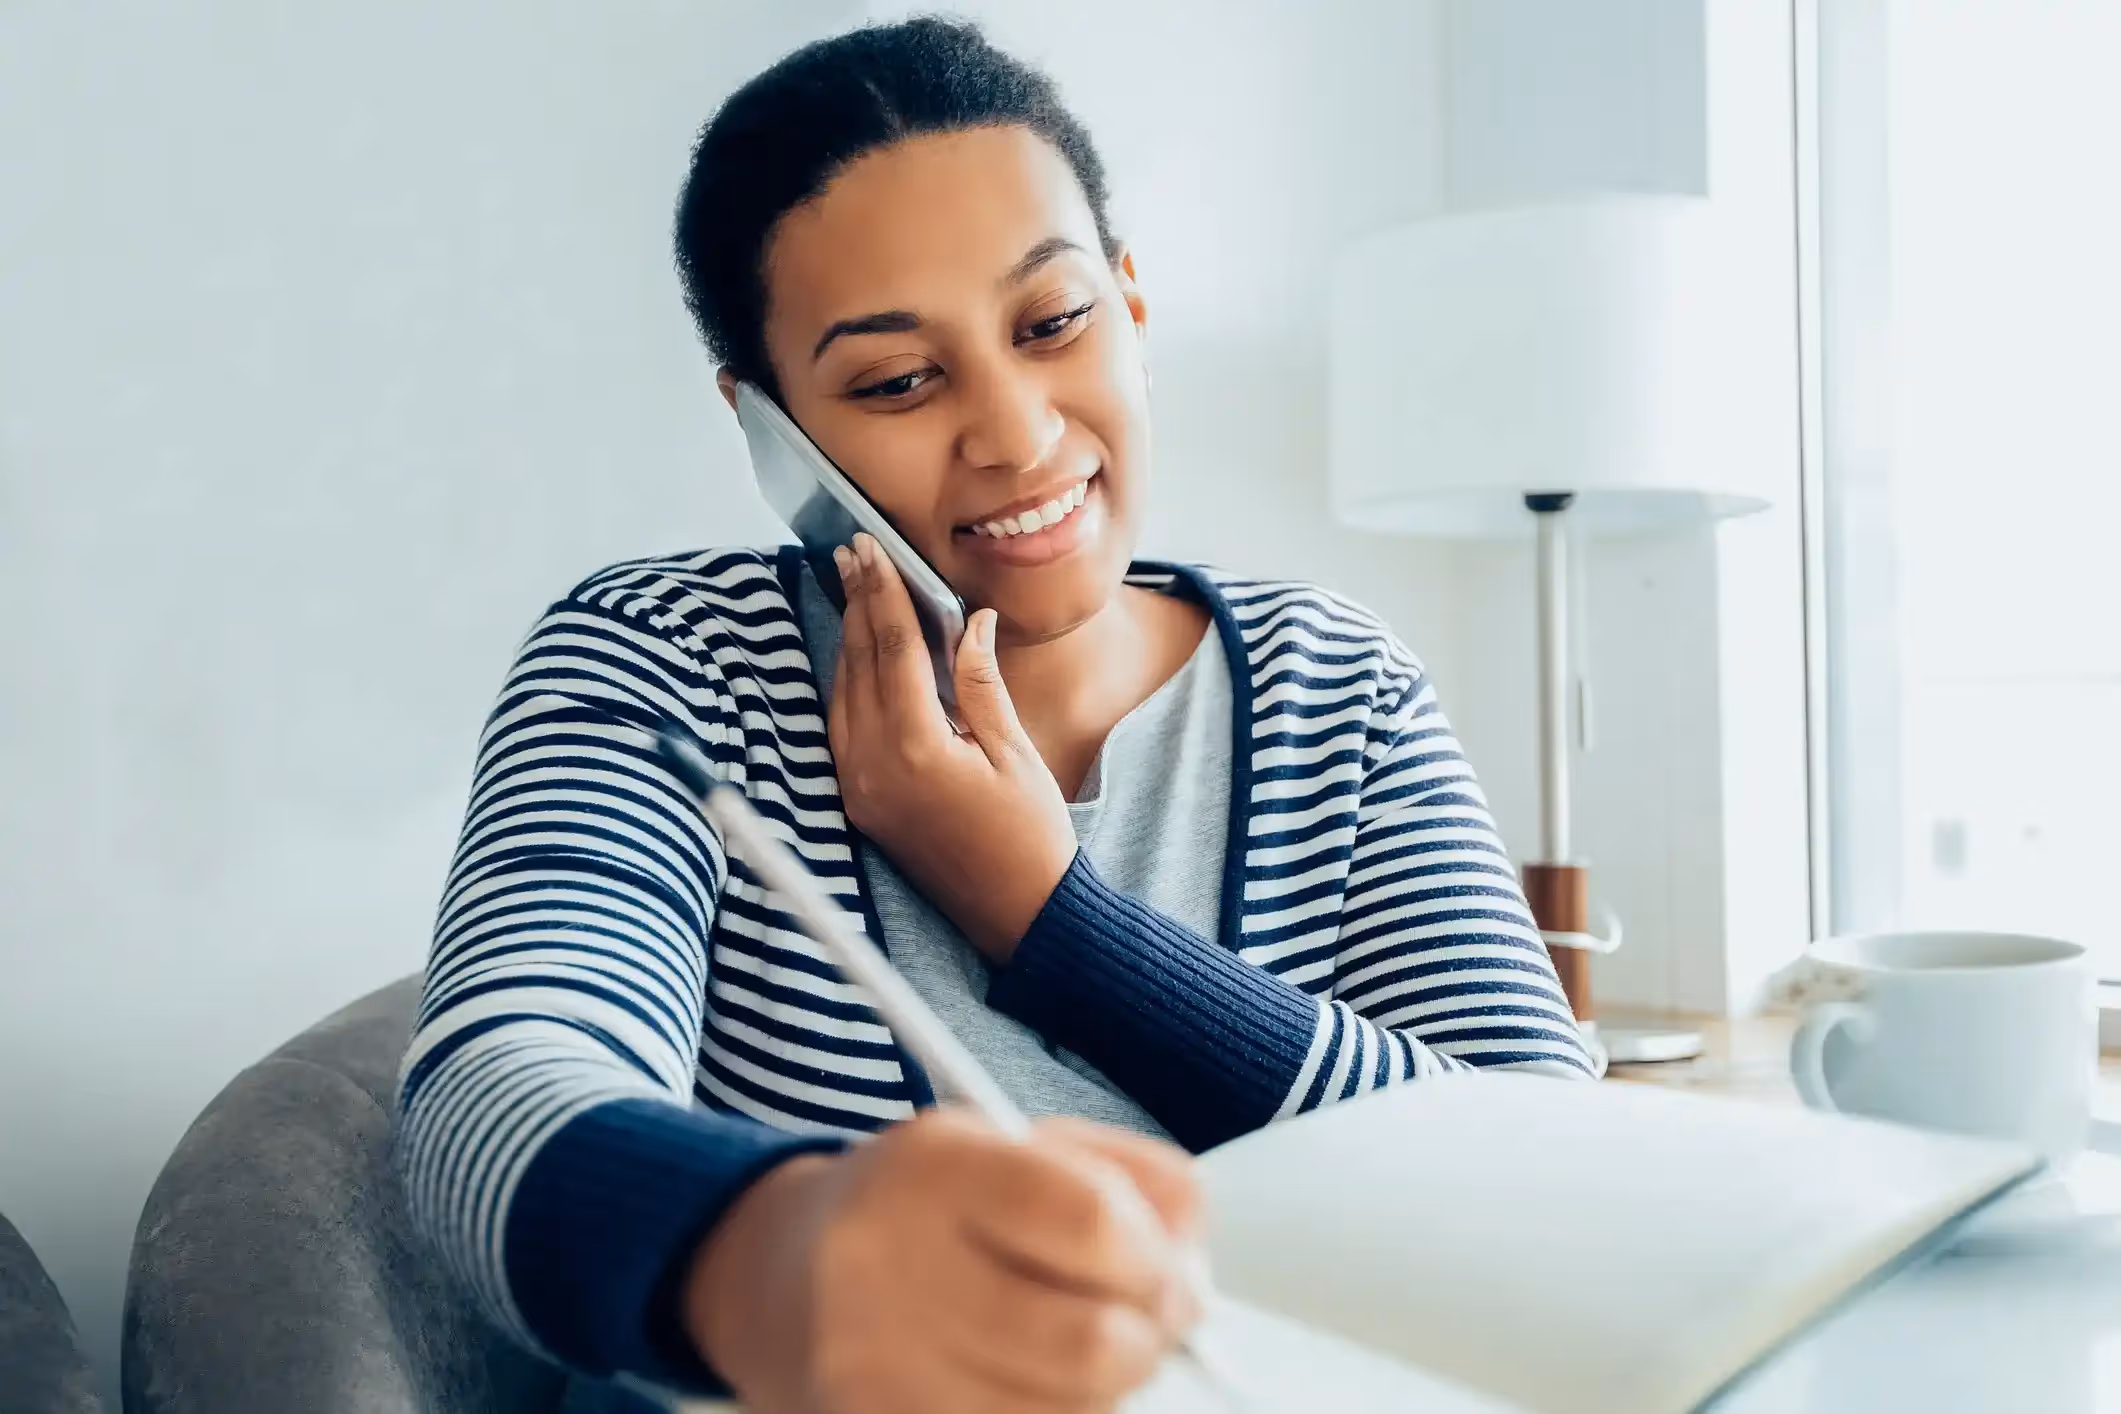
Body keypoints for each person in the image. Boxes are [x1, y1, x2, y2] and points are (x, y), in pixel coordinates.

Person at [395, 16, 1593, 1414]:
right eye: (898, 380)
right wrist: (778, 1257)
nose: (1017, 433)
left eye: (1053, 323)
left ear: (1132, 309)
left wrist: (1052, 918)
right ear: (773, 431)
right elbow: (492, 1085)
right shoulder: (666, 659)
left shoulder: (1341, 681)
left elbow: (1548, 1174)